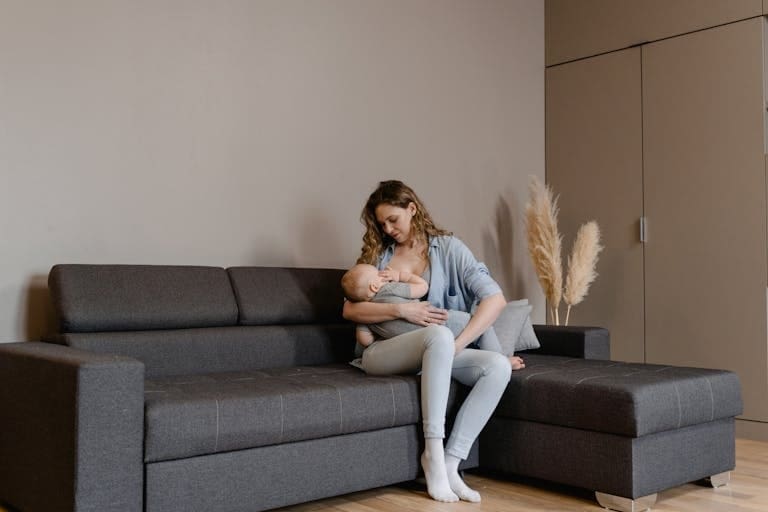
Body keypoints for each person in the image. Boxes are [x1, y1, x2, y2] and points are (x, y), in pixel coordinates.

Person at [343, 180, 522, 503]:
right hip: (381, 352)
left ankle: (452, 462)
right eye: (381, 223)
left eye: (393, 220)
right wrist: (402, 309)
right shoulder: (378, 255)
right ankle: (433, 453)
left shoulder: (449, 249)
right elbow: (349, 308)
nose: (388, 229)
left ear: (412, 208)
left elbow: (494, 299)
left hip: (437, 349)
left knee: (496, 367)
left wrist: (457, 346)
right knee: (439, 333)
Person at [341, 263, 524, 365]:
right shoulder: (390, 288)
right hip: (440, 322)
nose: (383, 275)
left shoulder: (367, 316)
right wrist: (400, 276)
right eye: (378, 273)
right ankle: (501, 359)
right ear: (375, 285)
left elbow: (366, 341)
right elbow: (422, 287)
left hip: (417, 343)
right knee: (479, 325)